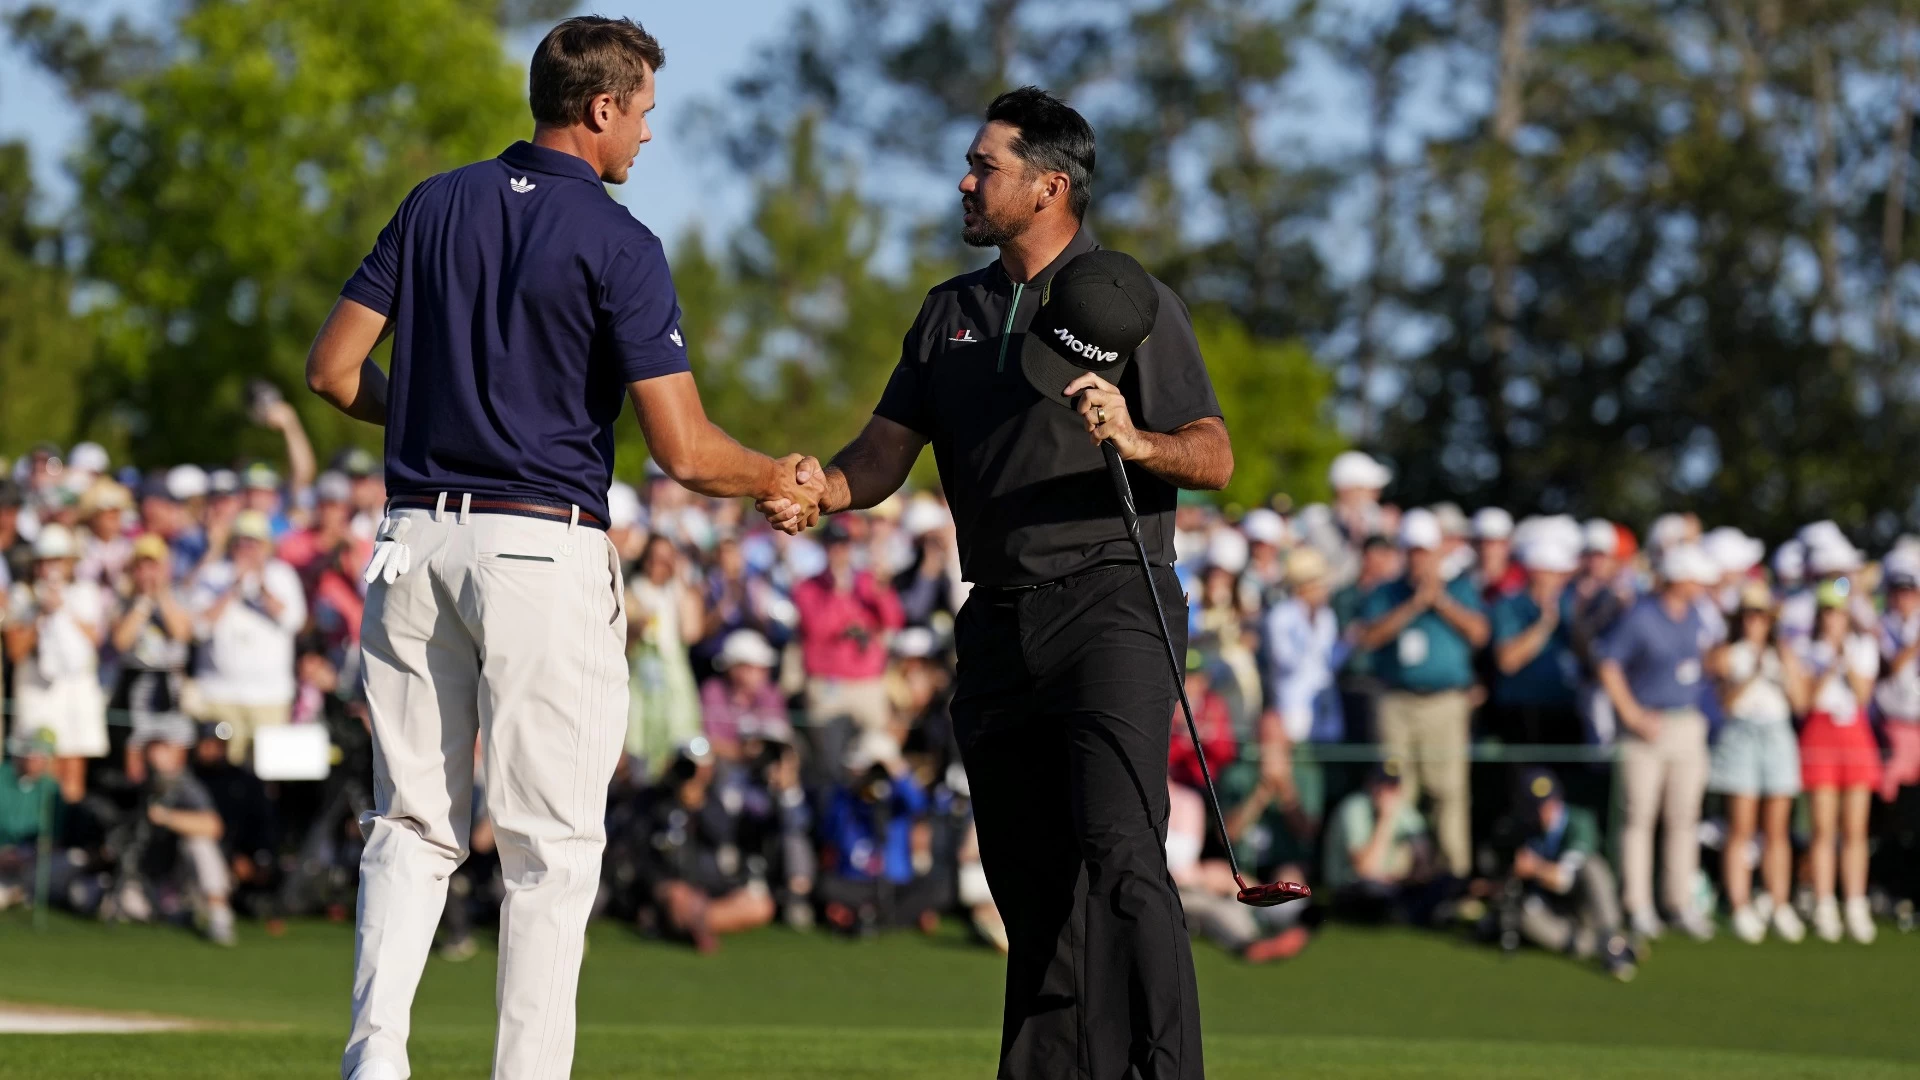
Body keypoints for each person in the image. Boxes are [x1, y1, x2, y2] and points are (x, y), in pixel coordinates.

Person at [304, 17, 827, 1080]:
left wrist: (434, 418)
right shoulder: (620, 240)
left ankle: (374, 1063)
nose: (647, 135)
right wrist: (779, 477)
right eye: (643, 113)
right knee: (549, 849)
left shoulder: (434, 201)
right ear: (601, 108)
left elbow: (332, 370)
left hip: (412, 542)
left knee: (410, 825)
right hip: (539, 550)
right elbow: (684, 449)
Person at [762, 88, 1230, 1078]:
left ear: (1049, 186)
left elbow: (1212, 454)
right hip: (998, 621)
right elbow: (883, 453)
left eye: (985, 166)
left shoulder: (1127, 297)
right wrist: (823, 492)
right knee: (1028, 885)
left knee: (1122, 853)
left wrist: (1139, 439)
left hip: (1114, 602)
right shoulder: (950, 312)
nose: (965, 182)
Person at [1354, 507, 1489, 878]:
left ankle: (1454, 874)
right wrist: (1413, 605)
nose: (1418, 559)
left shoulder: (1460, 588)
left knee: (1448, 791)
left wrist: (1439, 600)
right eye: (1412, 551)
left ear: (1437, 552)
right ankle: (1399, 871)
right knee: (1396, 788)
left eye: (1424, 552)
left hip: (1445, 702)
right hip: (1397, 700)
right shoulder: (1387, 592)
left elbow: (1479, 633)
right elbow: (1369, 637)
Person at [1595, 543, 1718, 942]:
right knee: (1639, 818)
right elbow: (1609, 666)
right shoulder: (1641, 616)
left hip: (1687, 723)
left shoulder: (1698, 615)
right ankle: (1638, 904)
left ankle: (1679, 902)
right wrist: (1631, 714)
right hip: (1646, 727)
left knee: (1684, 817)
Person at [1708, 581, 1806, 943]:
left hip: (1776, 735)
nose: (1755, 621)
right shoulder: (1727, 653)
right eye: (1749, 615)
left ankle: (1778, 903)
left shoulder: (1783, 653)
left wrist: (1785, 669)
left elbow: (1800, 702)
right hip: (1741, 736)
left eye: (1761, 615)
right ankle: (1740, 905)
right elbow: (1726, 702)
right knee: (1741, 827)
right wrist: (1752, 674)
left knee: (1777, 829)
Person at [1796, 583, 1881, 944]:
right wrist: (1829, 664)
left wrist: (1845, 657)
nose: (1833, 619)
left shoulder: (1863, 648)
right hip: (1820, 735)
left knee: (1855, 829)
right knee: (1823, 828)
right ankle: (1824, 903)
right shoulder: (1807, 650)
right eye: (1828, 612)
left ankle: (1856, 904)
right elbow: (1807, 701)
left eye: (1839, 612)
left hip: (1855, 737)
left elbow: (1862, 696)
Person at [188, 510, 307, 767]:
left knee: (269, 770)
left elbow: (293, 621)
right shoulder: (212, 574)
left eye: (254, 543)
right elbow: (198, 628)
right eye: (242, 542)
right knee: (219, 770)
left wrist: (262, 587)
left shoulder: (282, 575)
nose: (248, 549)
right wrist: (231, 588)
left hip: (269, 696)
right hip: (219, 694)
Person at [3, 524, 108, 802]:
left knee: (72, 769)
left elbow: (95, 639)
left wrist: (62, 608)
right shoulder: (23, 595)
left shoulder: (85, 592)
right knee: (39, 770)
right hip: (36, 693)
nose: (50, 567)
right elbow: (16, 651)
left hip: (76, 692)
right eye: (44, 561)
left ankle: (68, 825)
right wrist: (40, 614)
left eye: (57, 560)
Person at [1503, 767, 1636, 981]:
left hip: (1587, 907)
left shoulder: (1580, 822)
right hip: (1556, 913)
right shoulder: (1525, 829)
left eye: (1549, 803)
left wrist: (1535, 868)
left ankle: (1612, 940)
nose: (1545, 811)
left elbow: (1564, 880)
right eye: (1537, 806)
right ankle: (1605, 944)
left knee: (1593, 866)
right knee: (1526, 915)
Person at [105, 738, 237, 947]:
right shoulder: (140, 789)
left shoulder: (185, 787)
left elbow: (213, 826)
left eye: (161, 760)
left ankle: (219, 916)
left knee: (199, 844)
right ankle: (176, 913)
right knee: (104, 899)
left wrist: (166, 817)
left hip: (189, 877)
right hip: (153, 879)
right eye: (151, 761)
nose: (157, 768)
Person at [1165, 779, 1308, 963]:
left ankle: (1265, 931)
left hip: (1193, 883)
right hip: (1168, 888)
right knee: (1217, 909)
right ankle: (1251, 943)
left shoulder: (1189, 800)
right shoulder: (1133, 804)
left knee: (1228, 896)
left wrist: (1202, 875)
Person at [793, 518, 903, 749]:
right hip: (827, 681)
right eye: (832, 544)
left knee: (877, 747)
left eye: (844, 544)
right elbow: (815, 629)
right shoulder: (808, 587)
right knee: (828, 753)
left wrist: (882, 589)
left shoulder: (868, 581)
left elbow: (893, 621)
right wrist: (839, 592)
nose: (838, 551)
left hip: (867, 679)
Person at [110, 535, 197, 785]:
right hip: (138, 687)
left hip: (171, 686)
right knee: (136, 760)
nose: (148, 573)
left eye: (154, 566)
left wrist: (161, 596)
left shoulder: (179, 596)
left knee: (173, 762)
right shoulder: (124, 602)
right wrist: (143, 602)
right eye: (141, 566)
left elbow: (181, 633)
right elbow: (121, 641)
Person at [1489, 526, 1582, 747]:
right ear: (1537, 572)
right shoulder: (1509, 606)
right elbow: (1507, 661)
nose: (1562, 579)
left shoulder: (1569, 604)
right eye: (1555, 572)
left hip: (1564, 707)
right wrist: (1544, 625)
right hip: (1522, 711)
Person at [1322, 760, 1445, 923]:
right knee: (1373, 891)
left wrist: (1411, 875)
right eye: (1381, 784)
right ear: (1370, 784)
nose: (1386, 792)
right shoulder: (1354, 808)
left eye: (1392, 786)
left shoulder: (1404, 811)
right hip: (1352, 887)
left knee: (1444, 883)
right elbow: (1365, 869)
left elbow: (1424, 864)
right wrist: (1385, 820)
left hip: (1391, 883)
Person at [625, 533, 704, 775]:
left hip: (675, 679)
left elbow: (691, 633)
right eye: (654, 557)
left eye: (666, 558)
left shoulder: (678, 594)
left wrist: (680, 580)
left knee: (678, 735)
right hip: (643, 679)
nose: (658, 564)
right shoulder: (632, 591)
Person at [1264, 545, 1346, 745]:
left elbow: (1327, 662)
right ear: (1304, 587)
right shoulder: (1281, 616)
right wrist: (1305, 627)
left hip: (1325, 707)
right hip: (1293, 705)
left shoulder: (1326, 617)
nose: (1325, 590)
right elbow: (1284, 661)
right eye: (1319, 584)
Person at [698, 628, 787, 759]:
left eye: (764, 668)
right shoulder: (713, 691)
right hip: (724, 767)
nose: (763, 673)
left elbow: (782, 737)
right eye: (754, 667)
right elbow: (709, 741)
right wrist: (744, 753)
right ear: (734, 669)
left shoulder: (771, 693)